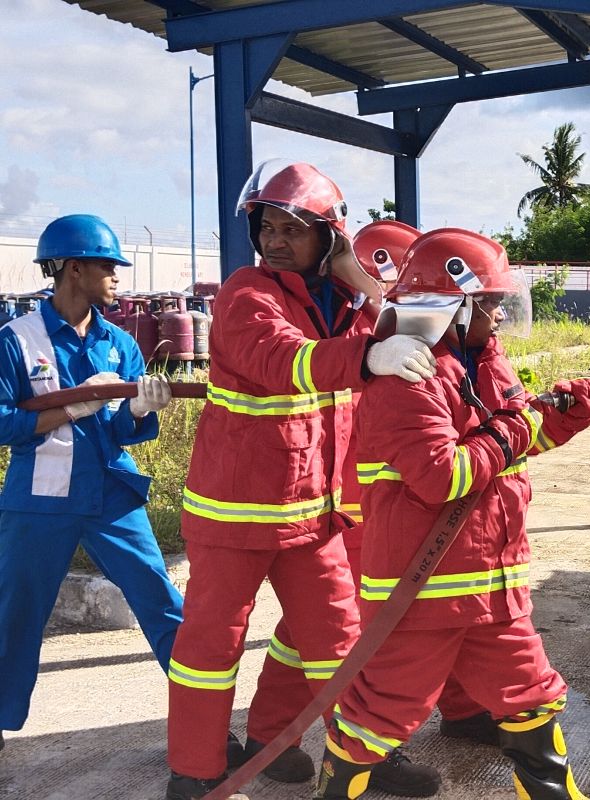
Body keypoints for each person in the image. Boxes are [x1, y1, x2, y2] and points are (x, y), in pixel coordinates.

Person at [163, 161, 441, 800]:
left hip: (312, 514)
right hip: (234, 515)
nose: (278, 239)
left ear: (330, 238)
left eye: (295, 228)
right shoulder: (246, 292)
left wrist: (359, 280)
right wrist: (368, 355)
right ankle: (196, 767)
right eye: (269, 226)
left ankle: (352, 754)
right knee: (210, 647)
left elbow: (419, 332)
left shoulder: (344, 300)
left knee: (343, 641)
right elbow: (281, 360)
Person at [313, 228, 590, 800]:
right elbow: (443, 478)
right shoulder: (407, 380)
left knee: (532, 697)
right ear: (451, 306)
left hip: (493, 591)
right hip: (422, 595)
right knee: (380, 717)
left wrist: (567, 417)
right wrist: (517, 425)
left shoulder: (485, 365)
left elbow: (512, 443)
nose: (499, 316)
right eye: (491, 304)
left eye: (501, 303)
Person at [241, 219, 497, 794]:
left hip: (389, 501)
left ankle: (459, 708)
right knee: (332, 628)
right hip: (357, 504)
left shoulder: (401, 326)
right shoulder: (358, 323)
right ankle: (278, 733)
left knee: (441, 608)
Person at [0, 214, 177, 752]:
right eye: (108, 265)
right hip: (39, 500)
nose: (118, 275)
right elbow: (5, 421)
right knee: (14, 613)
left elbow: (124, 429)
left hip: (112, 497)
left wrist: (143, 411)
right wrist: (76, 406)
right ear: (73, 269)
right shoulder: (16, 339)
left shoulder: (120, 342)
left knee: (164, 604)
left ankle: (204, 719)